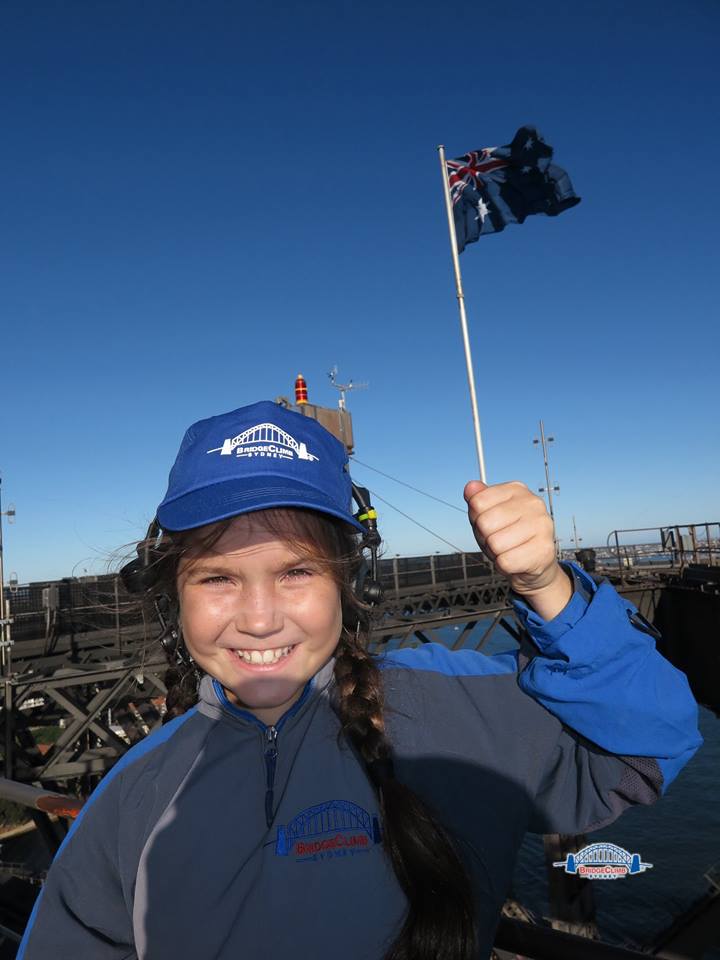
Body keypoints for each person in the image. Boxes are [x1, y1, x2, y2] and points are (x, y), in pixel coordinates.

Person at [18, 400, 702, 960]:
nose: (259, 620)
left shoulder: (459, 713)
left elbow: (646, 747)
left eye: (296, 571)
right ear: (176, 596)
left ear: (350, 584)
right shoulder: (133, 794)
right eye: (219, 578)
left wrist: (547, 587)